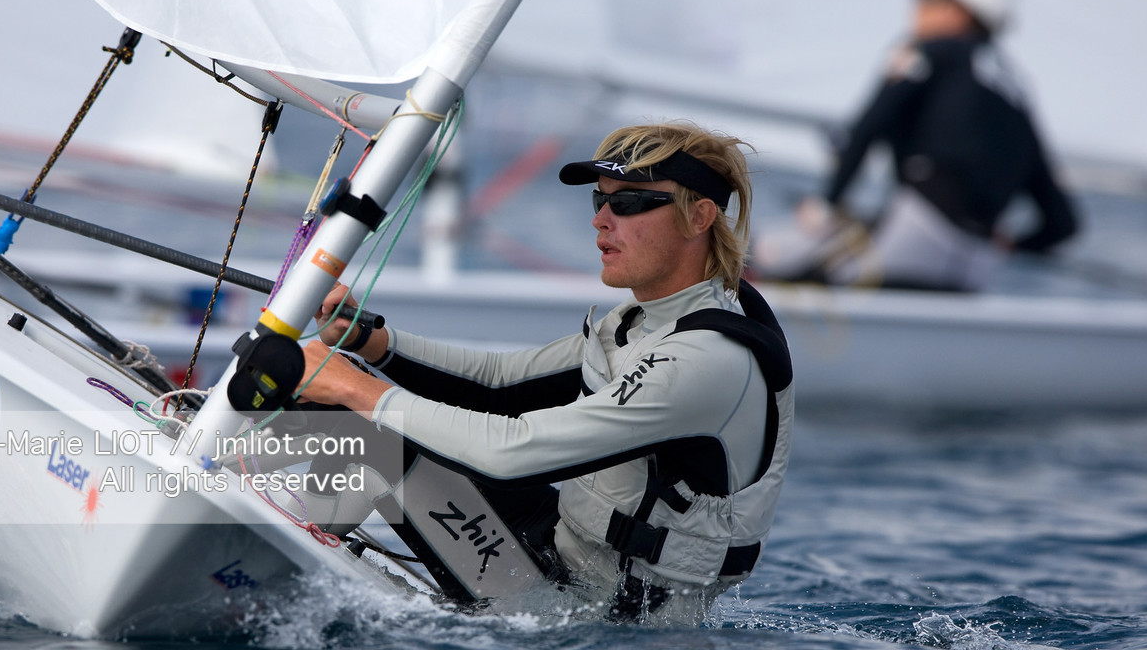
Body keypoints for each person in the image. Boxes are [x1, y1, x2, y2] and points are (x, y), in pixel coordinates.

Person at [296, 123, 793, 621]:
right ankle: (250, 503)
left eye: (628, 202)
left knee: (365, 434)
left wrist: (351, 386)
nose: (600, 219)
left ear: (699, 215)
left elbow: (512, 451)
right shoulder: (648, 320)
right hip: (562, 552)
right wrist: (371, 343)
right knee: (356, 410)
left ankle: (259, 548)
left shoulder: (705, 360)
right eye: (599, 200)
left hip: (592, 618)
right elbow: (499, 387)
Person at [755, 0, 1078, 292]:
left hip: (912, 247)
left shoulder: (926, 51)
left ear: (960, 11)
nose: (916, 10)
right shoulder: (1017, 90)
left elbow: (868, 128)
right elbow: (1063, 224)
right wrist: (1011, 245)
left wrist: (827, 205)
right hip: (975, 269)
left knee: (760, 255)